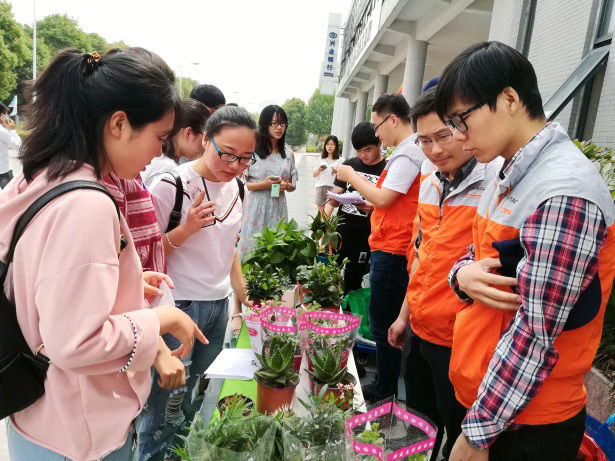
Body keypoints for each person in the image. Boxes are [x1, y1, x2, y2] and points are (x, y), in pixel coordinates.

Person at [0, 47, 205, 461]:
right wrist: (160, 318)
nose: (158, 152)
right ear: (118, 123)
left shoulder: (37, 175)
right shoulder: (86, 203)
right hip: (76, 432)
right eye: (159, 138)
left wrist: (122, 282)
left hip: (39, 415)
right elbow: (76, 342)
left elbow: (38, 283)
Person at [436, 41, 615, 461]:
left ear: (510, 98)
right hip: (490, 399)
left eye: (461, 120)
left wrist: (477, 436)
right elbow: (473, 256)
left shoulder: (564, 191)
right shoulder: (504, 171)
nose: (459, 139)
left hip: (526, 424)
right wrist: (460, 276)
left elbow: (536, 334)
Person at [387, 87, 501, 460]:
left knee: (456, 432)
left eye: (442, 136)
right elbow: (422, 253)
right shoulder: (429, 176)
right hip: (420, 327)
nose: (434, 149)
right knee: (416, 423)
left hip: (459, 339)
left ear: (462, 128)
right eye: (424, 140)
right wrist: (404, 315)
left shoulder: (493, 181)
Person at [139, 106, 257, 461]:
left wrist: (242, 294)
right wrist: (186, 229)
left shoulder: (239, 188)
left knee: (195, 399)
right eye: (227, 154)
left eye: (246, 159)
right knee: (162, 407)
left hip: (216, 307)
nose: (235, 166)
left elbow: (229, 248)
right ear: (205, 139)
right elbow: (140, 256)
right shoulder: (170, 185)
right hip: (176, 309)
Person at [336, 94, 425, 402]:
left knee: (383, 320)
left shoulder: (406, 155)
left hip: (394, 249)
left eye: (377, 126)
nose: (376, 134)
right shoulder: (408, 152)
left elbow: (384, 198)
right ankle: (387, 382)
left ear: (393, 120)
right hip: (392, 243)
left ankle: (385, 388)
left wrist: (351, 176)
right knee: (385, 318)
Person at [325, 123, 385, 294]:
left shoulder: (387, 170)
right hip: (341, 230)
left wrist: (373, 208)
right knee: (329, 274)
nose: (363, 156)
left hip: (365, 234)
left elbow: (388, 203)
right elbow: (336, 193)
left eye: (367, 150)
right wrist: (325, 223)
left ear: (379, 143)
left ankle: (350, 316)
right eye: (358, 151)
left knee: (353, 280)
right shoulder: (350, 165)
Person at [237, 105, 298, 259]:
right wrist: (264, 185)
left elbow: (292, 185)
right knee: (252, 251)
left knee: (276, 251)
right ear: (264, 124)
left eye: (282, 123)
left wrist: (286, 186)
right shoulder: (252, 152)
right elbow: (239, 185)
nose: (279, 128)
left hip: (278, 207)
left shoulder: (288, 153)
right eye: (275, 123)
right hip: (255, 207)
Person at [142, 98, 210, 187]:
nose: (206, 145)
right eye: (205, 138)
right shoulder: (168, 170)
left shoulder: (159, 160)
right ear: (188, 133)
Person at [313, 135, 344, 215]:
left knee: (326, 215)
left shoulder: (341, 160)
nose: (329, 146)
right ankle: (321, 228)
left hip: (333, 189)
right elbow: (314, 174)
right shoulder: (320, 159)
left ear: (336, 146)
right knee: (320, 214)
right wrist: (319, 169)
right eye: (327, 144)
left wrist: (336, 172)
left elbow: (344, 177)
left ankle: (325, 227)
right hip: (320, 188)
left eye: (332, 144)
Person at [0, 103, 20, 189]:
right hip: (3, 172)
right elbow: (19, 147)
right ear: (2, 115)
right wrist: (12, 130)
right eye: (6, 114)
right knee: (11, 200)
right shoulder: (2, 131)